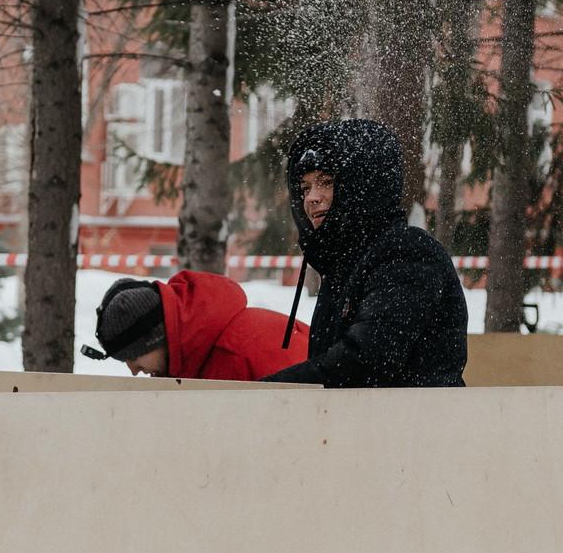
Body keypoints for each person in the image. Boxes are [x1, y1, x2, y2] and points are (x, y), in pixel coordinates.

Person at [260, 118, 467, 388]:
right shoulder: (343, 263)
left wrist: (268, 391)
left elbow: (366, 360)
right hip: (361, 425)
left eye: (325, 182)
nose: (312, 197)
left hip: (416, 425)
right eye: (305, 188)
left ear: (361, 186)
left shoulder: (407, 251)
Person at [80, 270, 308, 379]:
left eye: (133, 357)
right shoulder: (203, 356)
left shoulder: (238, 354)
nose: (133, 370)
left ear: (156, 338)